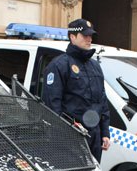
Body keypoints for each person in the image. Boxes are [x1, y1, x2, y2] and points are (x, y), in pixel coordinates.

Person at [42, 18, 110, 162]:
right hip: (69, 137)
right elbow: (52, 106)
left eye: (90, 36)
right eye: (85, 36)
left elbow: (102, 101)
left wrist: (105, 132)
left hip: (94, 136)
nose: (89, 39)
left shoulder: (95, 66)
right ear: (72, 37)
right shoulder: (59, 65)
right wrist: (66, 134)